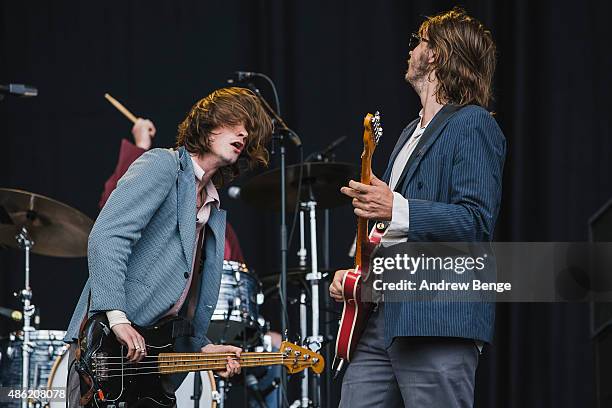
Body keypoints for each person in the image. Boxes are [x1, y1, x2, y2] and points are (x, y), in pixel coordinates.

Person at [329, 8, 506, 407]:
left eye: (418, 42)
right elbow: (391, 231)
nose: (410, 51)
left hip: (435, 316)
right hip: (379, 317)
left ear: (436, 55)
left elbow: (475, 223)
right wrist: (357, 275)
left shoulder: (473, 124)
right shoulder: (410, 132)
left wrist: (396, 206)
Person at [64, 87, 273, 405]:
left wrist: (201, 346)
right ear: (208, 123)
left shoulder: (212, 209)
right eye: (235, 123)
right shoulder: (163, 165)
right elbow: (107, 237)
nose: (244, 133)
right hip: (106, 347)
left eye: (249, 130)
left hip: (148, 357)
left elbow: (182, 293)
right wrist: (117, 318)